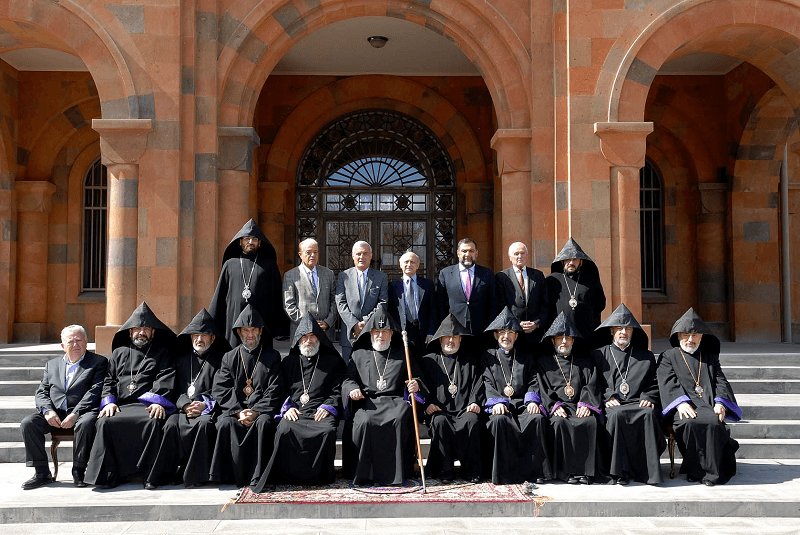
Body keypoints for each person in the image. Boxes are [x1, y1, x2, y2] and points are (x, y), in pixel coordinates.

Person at [85, 302, 176, 489]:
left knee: (154, 421)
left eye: (146, 329)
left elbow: (164, 379)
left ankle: (150, 475)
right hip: (121, 405)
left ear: (153, 332)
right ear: (129, 332)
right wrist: (109, 402)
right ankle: (111, 475)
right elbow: (109, 381)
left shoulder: (162, 353)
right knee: (104, 422)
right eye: (137, 329)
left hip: (147, 406)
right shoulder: (118, 353)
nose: (141, 332)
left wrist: (158, 402)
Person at [253, 314, 346, 491]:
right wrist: (286, 407)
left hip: (320, 411)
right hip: (296, 411)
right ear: (298, 340)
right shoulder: (288, 362)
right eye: (304, 337)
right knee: (284, 429)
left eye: (312, 336)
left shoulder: (333, 362)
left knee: (327, 431)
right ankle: (288, 475)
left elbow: (337, 390)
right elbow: (279, 390)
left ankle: (321, 477)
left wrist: (327, 407)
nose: (308, 341)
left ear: (319, 338)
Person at [342, 303, 428, 486]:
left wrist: (416, 385)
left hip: (395, 400)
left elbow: (418, 376)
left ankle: (397, 474)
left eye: (385, 332)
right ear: (370, 334)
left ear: (392, 334)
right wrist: (352, 389)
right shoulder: (359, 354)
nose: (380, 335)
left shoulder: (403, 353)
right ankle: (365, 474)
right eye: (376, 332)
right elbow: (348, 379)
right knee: (364, 422)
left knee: (399, 418)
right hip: (367, 402)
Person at [145, 308, 229, 488]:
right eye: (196, 335)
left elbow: (221, 389)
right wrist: (184, 405)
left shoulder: (221, 361)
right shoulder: (180, 359)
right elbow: (173, 388)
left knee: (205, 425)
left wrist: (203, 405)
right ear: (190, 337)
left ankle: (193, 475)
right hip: (183, 408)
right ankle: (163, 474)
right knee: (170, 425)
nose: (200, 339)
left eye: (204, 335)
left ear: (212, 338)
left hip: (207, 409)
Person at [658, 307, 741, 486]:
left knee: (713, 421)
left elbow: (721, 381)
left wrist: (720, 403)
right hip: (682, 405)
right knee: (690, 422)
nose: (690, 339)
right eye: (686, 335)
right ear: (678, 335)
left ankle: (712, 472)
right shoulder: (668, 356)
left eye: (695, 335)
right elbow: (666, 382)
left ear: (701, 337)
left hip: (708, 404)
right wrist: (679, 403)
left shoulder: (710, 357)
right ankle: (695, 471)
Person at [19, 325, 107, 489]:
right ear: (62, 345)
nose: (75, 345)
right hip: (56, 412)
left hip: (84, 411)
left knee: (86, 423)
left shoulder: (98, 362)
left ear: (86, 342)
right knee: (28, 423)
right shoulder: (51, 364)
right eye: (71, 341)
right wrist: (47, 411)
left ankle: (79, 470)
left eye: (79, 340)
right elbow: (42, 392)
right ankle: (41, 472)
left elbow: (95, 392)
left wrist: (75, 413)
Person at [209, 305, 284, 488]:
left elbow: (276, 388)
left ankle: (259, 475)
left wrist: (256, 411)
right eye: (246, 330)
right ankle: (231, 475)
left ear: (260, 331)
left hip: (261, 411)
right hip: (235, 410)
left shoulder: (272, 356)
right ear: (239, 332)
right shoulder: (229, 357)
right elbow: (221, 388)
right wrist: (238, 412)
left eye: (253, 330)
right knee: (226, 423)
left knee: (265, 423)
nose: (250, 334)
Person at [591, 303, 665, 485]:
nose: (623, 332)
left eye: (627, 328)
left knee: (648, 414)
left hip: (637, 403)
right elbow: (593, 383)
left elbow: (654, 383)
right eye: (619, 328)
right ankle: (619, 472)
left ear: (633, 332)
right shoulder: (598, 355)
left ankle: (647, 472)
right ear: (611, 331)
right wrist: (607, 396)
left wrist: (648, 396)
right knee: (616, 415)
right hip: (612, 404)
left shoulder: (646, 356)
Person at [481, 307, 551, 485]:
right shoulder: (488, 357)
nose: (506, 336)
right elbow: (487, 382)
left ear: (517, 336)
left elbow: (533, 380)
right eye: (502, 332)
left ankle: (535, 473)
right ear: (496, 335)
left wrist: (531, 401)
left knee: (536, 418)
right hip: (500, 406)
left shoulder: (526, 357)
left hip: (521, 405)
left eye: (511, 332)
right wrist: (496, 402)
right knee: (499, 421)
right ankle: (504, 474)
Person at [537, 311, 602, 484]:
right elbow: (543, 388)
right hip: (558, 408)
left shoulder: (584, 361)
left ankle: (585, 472)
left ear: (573, 340)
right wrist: (554, 406)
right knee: (559, 423)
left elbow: (592, 384)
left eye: (567, 338)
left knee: (589, 421)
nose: (564, 341)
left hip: (579, 406)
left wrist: (586, 404)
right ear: (553, 340)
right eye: (559, 338)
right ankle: (564, 472)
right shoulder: (544, 362)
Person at [419, 314, 483, 483]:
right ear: (440, 340)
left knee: (472, 420)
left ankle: (470, 471)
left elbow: (478, 384)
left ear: (460, 339)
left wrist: (475, 402)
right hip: (440, 411)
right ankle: (444, 470)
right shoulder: (428, 361)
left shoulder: (470, 361)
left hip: (464, 410)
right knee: (439, 421)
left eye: (455, 337)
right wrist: (427, 405)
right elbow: (422, 387)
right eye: (447, 337)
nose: (450, 341)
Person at [209, 218, 286, 348]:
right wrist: (211, 324)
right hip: (234, 318)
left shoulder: (269, 266)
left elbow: (277, 297)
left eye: (254, 239)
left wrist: (280, 328)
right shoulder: (230, 264)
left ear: (260, 243)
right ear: (240, 241)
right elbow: (220, 295)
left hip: (261, 319)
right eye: (247, 238)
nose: (250, 242)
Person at [335, 240, 388, 360]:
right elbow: (340, 302)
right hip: (349, 333)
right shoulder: (344, 276)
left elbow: (383, 303)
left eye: (365, 253)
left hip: (372, 331)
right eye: (358, 254)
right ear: (353, 256)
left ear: (371, 256)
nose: (361, 257)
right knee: (349, 371)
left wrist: (365, 323)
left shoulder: (381, 277)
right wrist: (354, 324)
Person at [546, 238, 606, 339]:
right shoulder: (552, 280)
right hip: (560, 334)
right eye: (568, 259)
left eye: (575, 259)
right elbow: (546, 306)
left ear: (581, 262)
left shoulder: (591, 281)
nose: (571, 263)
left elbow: (600, 304)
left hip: (585, 333)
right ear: (562, 262)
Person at [437, 238, 497, 338]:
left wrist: (490, 327)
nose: (467, 254)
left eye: (471, 251)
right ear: (458, 253)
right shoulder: (445, 273)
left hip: (481, 330)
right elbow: (440, 303)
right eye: (464, 251)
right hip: (454, 330)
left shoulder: (487, 274)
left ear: (476, 253)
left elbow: (493, 303)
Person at [283, 238, 338, 343]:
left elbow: (335, 300)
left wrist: (328, 322)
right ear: (300, 254)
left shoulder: (328, 273)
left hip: (325, 332)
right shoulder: (291, 275)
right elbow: (289, 305)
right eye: (308, 252)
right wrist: (308, 323)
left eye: (315, 252)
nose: (312, 255)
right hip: (302, 332)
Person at [496, 242, 549, 350]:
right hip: (512, 333)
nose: (519, 256)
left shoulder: (538, 275)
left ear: (527, 255)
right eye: (516, 254)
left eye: (522, 253)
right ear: (510, 257)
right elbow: (500, 305)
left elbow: (545, 303)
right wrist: (517, 324)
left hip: (536, 335)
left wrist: (536, 323)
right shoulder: (502, 277)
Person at [388, 250, 437, 359]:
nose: (409, 264)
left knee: (423, 362)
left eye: (413, 262)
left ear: (418, 265)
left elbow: (433, 310)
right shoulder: (392, 286)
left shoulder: (427, 284)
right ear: (400, 265)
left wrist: (431, 333)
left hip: (422, 332)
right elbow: (390, 311)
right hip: (401, 332)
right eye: (406, 262)